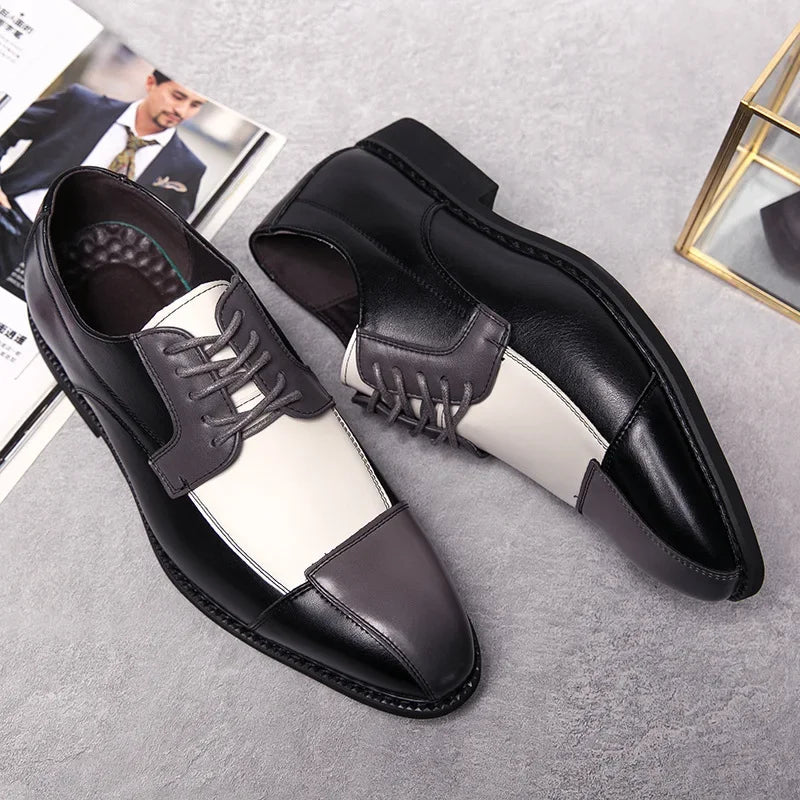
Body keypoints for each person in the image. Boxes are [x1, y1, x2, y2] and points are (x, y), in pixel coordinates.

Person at [0, 71, 207, 286]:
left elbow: (166, 238)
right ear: (151, 82)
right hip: (10, 221)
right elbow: (6, 127)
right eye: (177, 96)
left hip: (65, 267)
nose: (182, 111)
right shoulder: (81, 103)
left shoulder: (187, 168)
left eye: (195, 105)